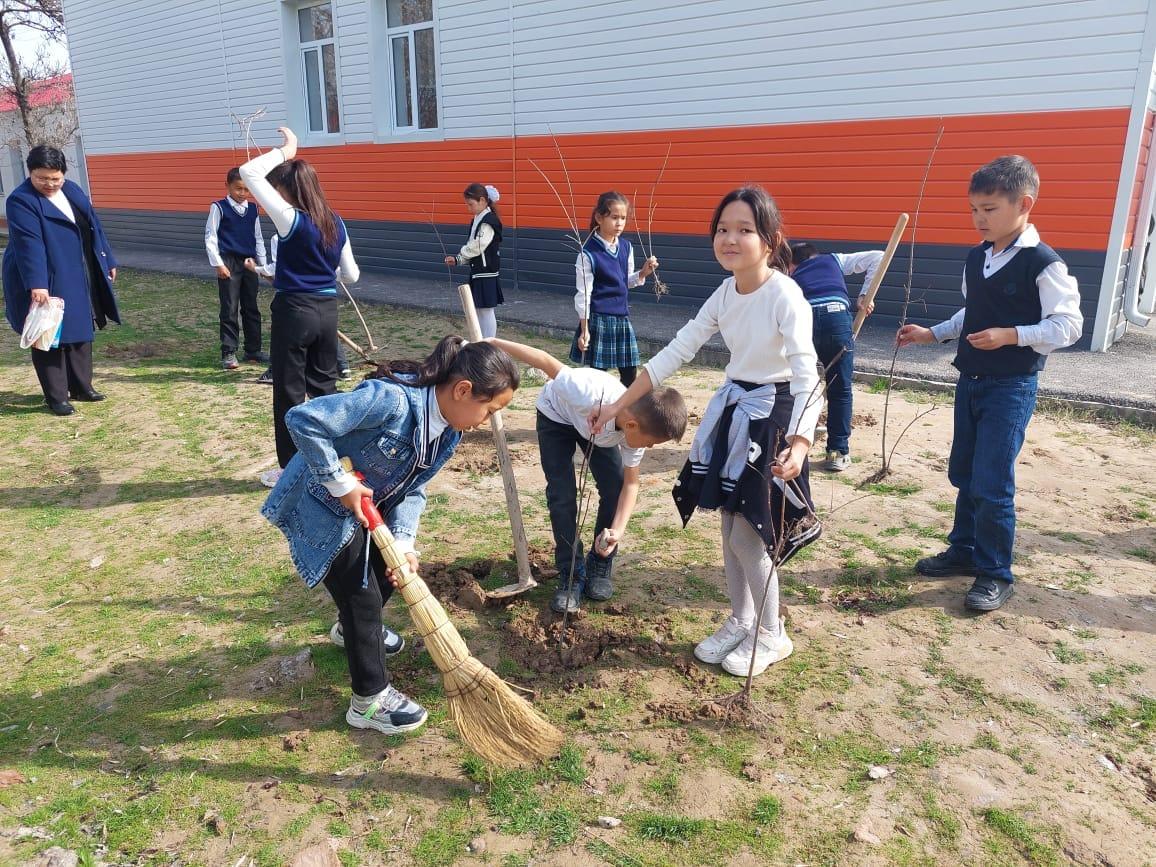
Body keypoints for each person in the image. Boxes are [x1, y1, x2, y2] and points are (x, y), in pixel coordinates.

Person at [591, 186, 822, 678]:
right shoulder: (726, 292)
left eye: (744, 230)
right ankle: (741, 619)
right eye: (722, 229)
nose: (730, 239)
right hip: (737, 409)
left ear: (770, 239)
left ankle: (772, 633)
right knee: (728, 525)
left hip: (773, 417)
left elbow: (808, 375)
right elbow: (678, 349)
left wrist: (800, 443)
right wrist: (619, 403)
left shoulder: (785, 295)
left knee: (750, 534)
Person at [261, 336, 519, 735]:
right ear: (463, 390)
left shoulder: (447, 433)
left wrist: (403, 541)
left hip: (369, 512)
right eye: (490, 410)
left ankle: (351, 630)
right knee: (361, 594)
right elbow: (303, 419)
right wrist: (339, 482)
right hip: (321, 506)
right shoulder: (391, 401)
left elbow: (414, 488)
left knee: (388, 574)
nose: (487, 421)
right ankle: (369, 701)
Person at [897, 155, 1082, 612]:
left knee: (993, 481)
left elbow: (1069, 326)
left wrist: (1011, 335)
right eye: (974, 209)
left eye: (990, 209)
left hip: (1011, 387)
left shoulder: (1043, 263)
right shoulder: (977, 255)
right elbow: (973, 311)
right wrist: (932, 334)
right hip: (971, 380)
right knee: (966, 471)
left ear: (1024, 204)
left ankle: (996, 571)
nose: (980, 219)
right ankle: (963, 549)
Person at [487, 337, 686, 613]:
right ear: (631, 425)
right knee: (562, 495)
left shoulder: (634, 431)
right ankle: (570, 573)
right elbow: (544, 360)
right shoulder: (583, 391)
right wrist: (492, 342)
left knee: (614, 486)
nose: (649, 448)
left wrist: (617, 531)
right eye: (651, 443)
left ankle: (600, 564)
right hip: (556, 416)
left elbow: (630, 485)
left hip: (598, 428)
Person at [239, 127, 359, 487]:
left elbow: (248, 172)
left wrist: (286, 150)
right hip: (327, 311)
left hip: (295, 310)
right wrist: (322, 272)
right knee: (324, 390)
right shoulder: (335, 221)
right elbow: (351, 275)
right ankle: (331, 463)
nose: (275, 195)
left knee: (289, 392)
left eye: (279, 189)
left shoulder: (290, 217)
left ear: (289, 190)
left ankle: (291, 468)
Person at [3, 145, 120, 416]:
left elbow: (94, 225)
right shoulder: (21, 200)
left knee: (80, 324)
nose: (49, 184)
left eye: (55, 178)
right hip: (44, 271)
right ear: (30, 173)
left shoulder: (73, 191)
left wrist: (107, 260)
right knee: (49, 332)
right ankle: (56, 397)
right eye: (41, 178)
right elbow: (29, 244)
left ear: (63, 173)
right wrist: (37, 283)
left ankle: (81, 386)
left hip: (76, 268)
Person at [789, 243, 884, 471]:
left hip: (805, 320)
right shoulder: (835, 259)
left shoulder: (789, 274)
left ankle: (788, 444)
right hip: (836, 319)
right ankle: (837, 452)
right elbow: (878, 257)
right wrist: (864, 295)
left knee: (797, 385)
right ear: (816, 255)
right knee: (840, 390)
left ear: (792, 263)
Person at [570, 191, 658, 385]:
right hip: (599, 320)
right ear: (599, 218)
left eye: (623, 218)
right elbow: (584, 295)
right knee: (598, 376)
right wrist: (585, 330)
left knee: (630, 373)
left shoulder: (626, 247)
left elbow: (624, 281)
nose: (619, 223)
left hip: (622, 319)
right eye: (614, 217)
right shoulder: (588, 254)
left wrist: (643, 273)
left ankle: (624, 404)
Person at [245, 236, 353, 385]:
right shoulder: (322, 233)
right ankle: (342, 367)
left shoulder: (281, 237)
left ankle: (275, 371)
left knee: (282, 329)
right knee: (325, 328)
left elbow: (277, 267)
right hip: (323, 293)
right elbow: (342, 271)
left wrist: (256, 269)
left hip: (295, 293)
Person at [205, 168, 268, 370]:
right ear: (228, 186)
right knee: (229, 307)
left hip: (249, 262)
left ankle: (253, 349)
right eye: (238, 188)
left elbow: (258, 237)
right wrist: (218, 263)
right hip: (229, 262)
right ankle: (229, 351)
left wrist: (262, 265)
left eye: (246, 189)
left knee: (251, 307)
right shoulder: (219, 207)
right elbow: (211, 236)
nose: (242, 193)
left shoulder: (253, 209)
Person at [444, 183, 502, 338]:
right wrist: (459, 260)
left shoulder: (489, 221)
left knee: (486, 310)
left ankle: (488, 342)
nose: (469, 208)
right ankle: (482, 340)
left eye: (471, 204)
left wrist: (460, 256)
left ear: (482, 200)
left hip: (486, 271)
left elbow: (477, 246)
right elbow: (473, 245)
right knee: (479, 309)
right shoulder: (478, 219)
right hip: (479, 270)